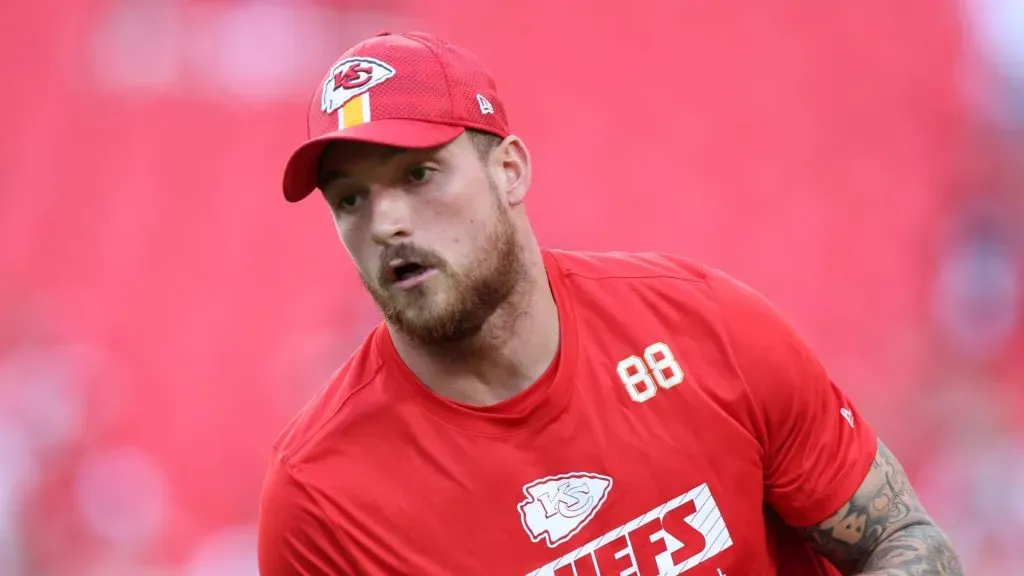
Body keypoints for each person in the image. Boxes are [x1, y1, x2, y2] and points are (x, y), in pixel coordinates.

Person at [257, 31, 963, 576]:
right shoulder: (322, 498)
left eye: (419, 174)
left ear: (510, 171)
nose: (385, 224)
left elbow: (899, 538)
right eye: (351, 199)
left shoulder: (704, 326)